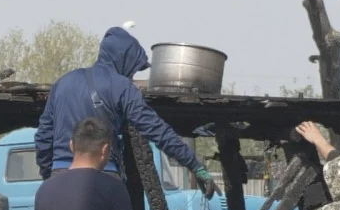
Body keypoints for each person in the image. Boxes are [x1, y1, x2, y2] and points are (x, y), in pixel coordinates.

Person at [34, 26, 219, 198]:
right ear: (124, 59)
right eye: (133, 69)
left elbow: (43, 137)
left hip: (59, 176)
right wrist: (195, 165)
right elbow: (156, 130)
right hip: (103, 177)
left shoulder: (63, 83)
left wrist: (50, 176)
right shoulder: (122, 87)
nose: (131, 76)